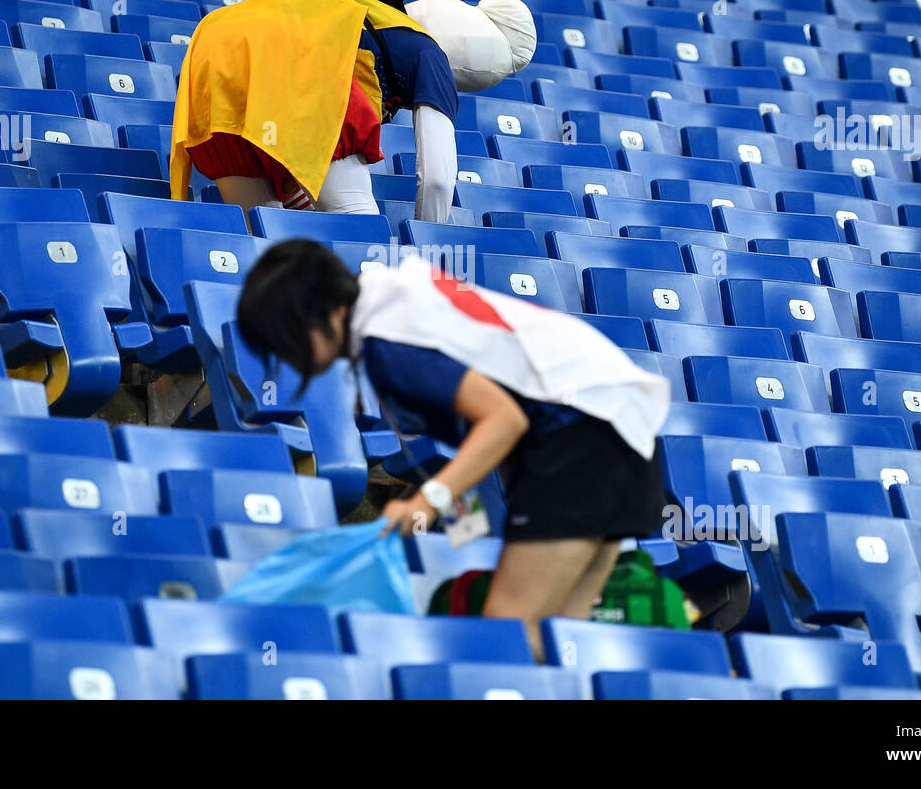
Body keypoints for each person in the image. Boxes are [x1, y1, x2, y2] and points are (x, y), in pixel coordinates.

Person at [236, 239, 672, 661]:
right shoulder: (397, 305)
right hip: (622, 434)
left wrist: (429, 501)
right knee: (562, 637)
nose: (288, 360)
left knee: (508, 631)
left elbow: (504, 420)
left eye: (287, 340)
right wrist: (456, 509)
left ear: (323, 312)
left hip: (583, 442)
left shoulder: (389, 339)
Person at [168, 0, 459, 221]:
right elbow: (438, 179)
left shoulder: (323, 5)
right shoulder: (431, 53)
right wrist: (429, 248)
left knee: (266, 240)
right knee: (356, 228)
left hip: (214, 43)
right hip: (300, 68)